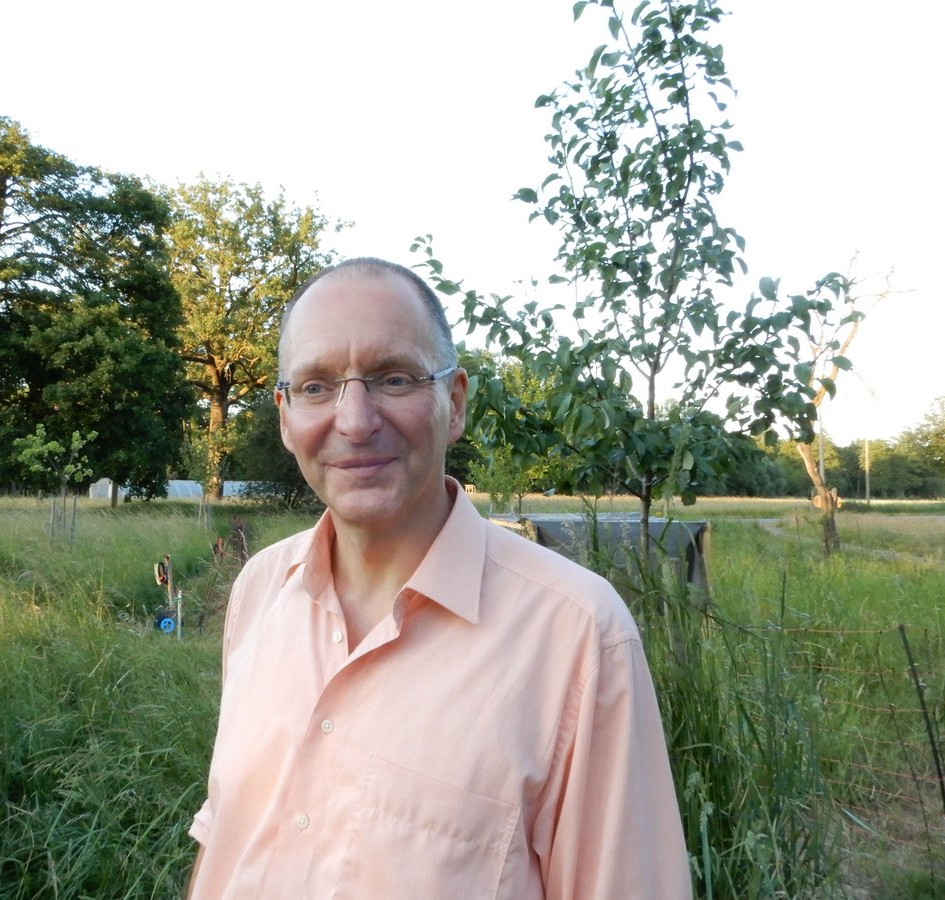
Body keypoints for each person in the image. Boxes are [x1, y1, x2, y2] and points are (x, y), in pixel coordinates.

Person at [187, 257, 692, 899]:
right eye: (316, 386)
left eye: (393, 378)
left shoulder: (577, 637)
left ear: (453, 404)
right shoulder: (260, 589)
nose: (354, 419)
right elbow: (225, 837)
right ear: (285, 415)